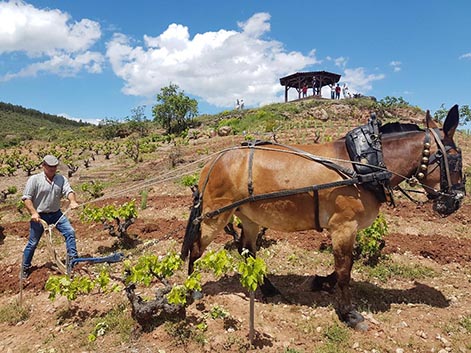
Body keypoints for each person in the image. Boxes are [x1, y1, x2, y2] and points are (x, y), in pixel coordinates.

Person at [21, 155, 79, 278]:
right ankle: (25, 268)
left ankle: (73, 261)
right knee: (33, 242)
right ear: (44, 166)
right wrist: (33, 212)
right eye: (49, 166)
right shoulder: (34, 179)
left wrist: (72, 201)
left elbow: (69, 191)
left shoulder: (61, 179)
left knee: (70, 232)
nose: (52, 169)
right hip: (40, 215)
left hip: (56, 213)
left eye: (54, 166)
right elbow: (26, 198)